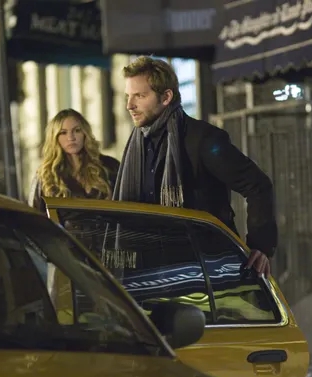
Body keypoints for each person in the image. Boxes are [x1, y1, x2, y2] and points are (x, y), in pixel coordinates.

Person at [114, 56, 277, 277]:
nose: (129, 105)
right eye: (128, 96)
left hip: (206, 269)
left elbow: (257, 185)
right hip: (153, 273)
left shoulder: (202, 139)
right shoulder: (137, 146)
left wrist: (260, 246)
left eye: (140, 96)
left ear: (166, 97)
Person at [29, 108, 120, 213]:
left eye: (77, 130)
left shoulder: (109, 166)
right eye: (63, 133)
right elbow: (34, 216)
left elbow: (127, 205)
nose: (71, 138)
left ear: (85, 133)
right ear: (55, 138)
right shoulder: (45, 175)